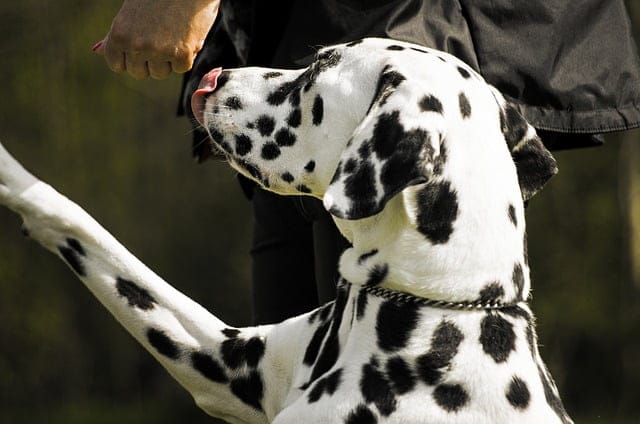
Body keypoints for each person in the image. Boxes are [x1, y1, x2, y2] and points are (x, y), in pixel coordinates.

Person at [95, 0, 640, 325]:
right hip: (311, 27)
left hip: (399, 23)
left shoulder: (384, 83)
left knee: (374, 377)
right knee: (291, 386)